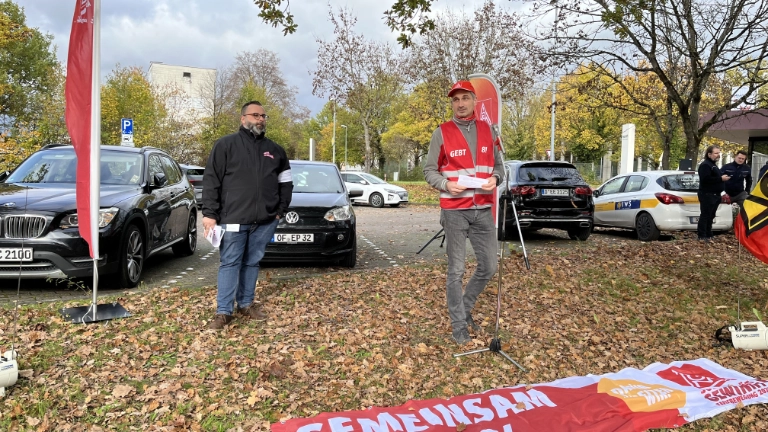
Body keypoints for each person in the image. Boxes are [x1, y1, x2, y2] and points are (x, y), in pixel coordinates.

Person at [423, 80, 504, 345]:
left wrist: (496, 178)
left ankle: (465, 309)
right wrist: (446, 184)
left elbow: (500, 167)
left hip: (483, 210)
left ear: (474, 101)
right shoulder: (442, 132)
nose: (460, 104)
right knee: (456, 270)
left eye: (464, 98)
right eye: (455, 100)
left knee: (489, 266)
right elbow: (428, 171)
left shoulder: (488, 130)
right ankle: (459, 325)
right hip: (454, 211)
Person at [202, 101, 293, 330]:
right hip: (232, 219)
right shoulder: (225, 145)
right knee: (230, 263)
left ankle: (245, 304)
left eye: (264, 116)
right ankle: (224, 312)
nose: (261, 119)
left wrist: (279, 212)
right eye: (255, 115)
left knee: (252, 263)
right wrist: (210, 214)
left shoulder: (276, 151)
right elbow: (212, 181)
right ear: (243, 118)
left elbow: (286, 183)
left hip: (264, 221)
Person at [697, 145, 729, 242]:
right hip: (707, 194)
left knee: (711, 215)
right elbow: (705, 179)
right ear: (709, 154)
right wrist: (720, 178)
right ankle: (702, 235)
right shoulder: (706, 165)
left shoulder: (713, 165)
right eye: (716, 153)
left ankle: (708, 233)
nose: (718, 155)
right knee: (705, 215)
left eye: (719, 153)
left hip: (715, 194)